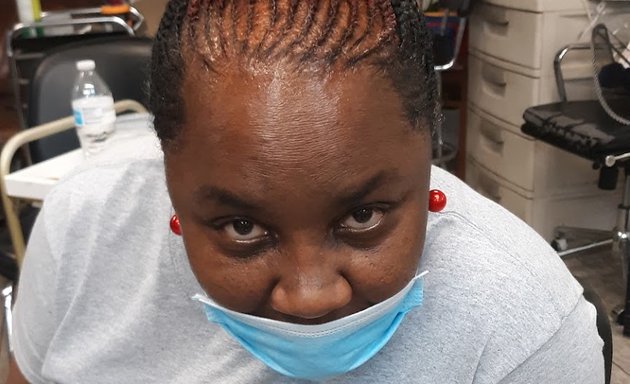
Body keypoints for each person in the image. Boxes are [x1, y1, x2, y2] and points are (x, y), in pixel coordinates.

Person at [7, 1, 605, 383]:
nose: (310, 297)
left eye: (363, 215)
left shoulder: (523, 325)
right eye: (242, 227)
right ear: (168, 176)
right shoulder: (82, 226)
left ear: (431, 158)